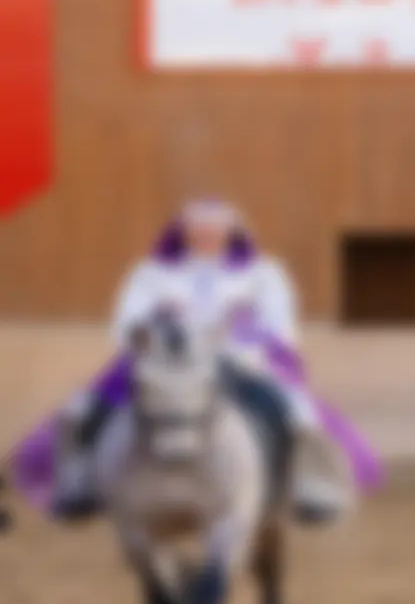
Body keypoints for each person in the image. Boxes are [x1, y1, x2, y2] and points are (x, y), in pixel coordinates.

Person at [7, 199, 383, 522]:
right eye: (198, 230)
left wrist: (239, 339)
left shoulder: (263, 273)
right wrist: (158, 334)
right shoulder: (152, 273)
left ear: (231, 232)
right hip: (166, 357)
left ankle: (307, 484)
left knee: (298, 409)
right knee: (80, 408)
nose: (206, 236)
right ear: (183, 232)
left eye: (214, 230)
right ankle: (79, 482)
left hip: (238, 355)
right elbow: (127, 323)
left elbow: (280, 326)